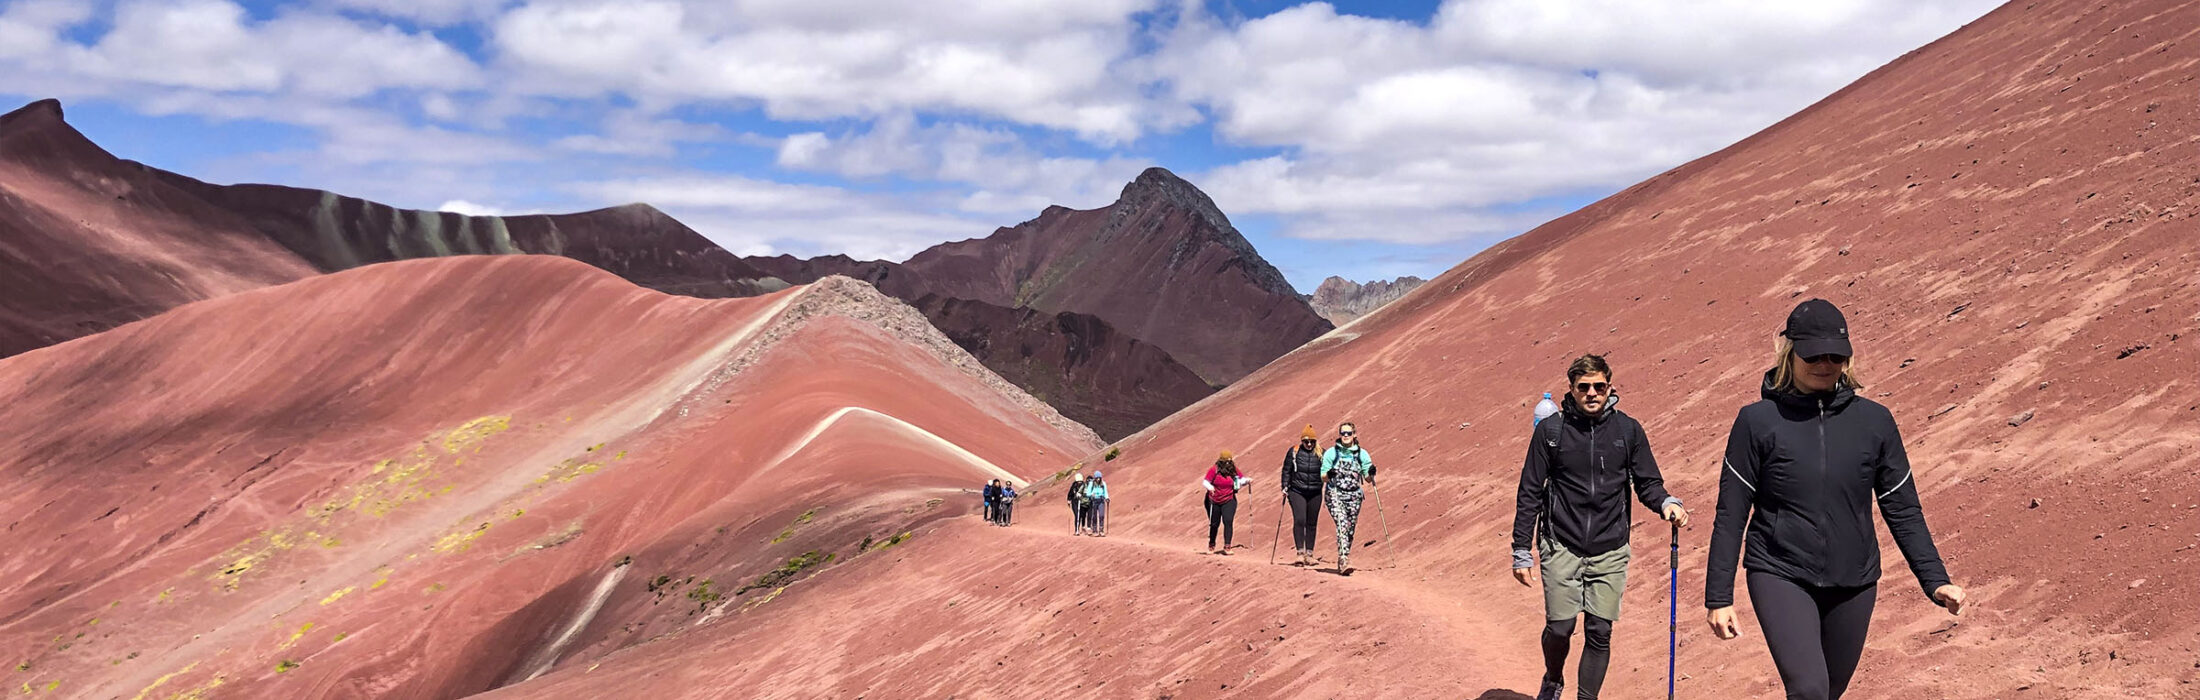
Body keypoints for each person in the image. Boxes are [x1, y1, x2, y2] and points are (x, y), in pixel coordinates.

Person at [1705, 299, 1967, 700]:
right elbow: (1732, 511)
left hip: (1855, 579)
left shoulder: (1875, 421)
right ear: (1789, 352)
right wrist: (1719, 597)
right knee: (1809, 690)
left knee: (1828, 692)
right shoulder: (1757, 421)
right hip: (1780, 571)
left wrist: (1935, 580)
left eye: (1836, 355)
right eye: (1814, 355)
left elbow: (1902, 507)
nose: (1825, 364)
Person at [1509, 354, 1688, 700]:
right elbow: (1530, 489)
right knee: (1561, 628)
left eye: (1599, 386)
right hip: (1561, 541)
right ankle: (1553, 676)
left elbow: (1648, 482)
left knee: (1599, 630)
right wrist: (1521, 550)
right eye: (1584, 387)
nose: (1592, 393)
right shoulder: (1552, 432)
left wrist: (1667, 503)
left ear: (1610, 386)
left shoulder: (1627, 430)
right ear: (1572, 389)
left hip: (1610, 544)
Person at [1320, 422, 1374, 574]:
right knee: (1342, 524)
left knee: (1350, 528)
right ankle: (1343, 559)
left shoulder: (1362, 454)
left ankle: (1345, 555)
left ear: (1354, 435)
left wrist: (1371, 472)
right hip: (1335, 494)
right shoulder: (1331, 453)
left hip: (1354, 496)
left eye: (1348, 433)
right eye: (1342, 433)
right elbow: (1323, 476)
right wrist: (1328, 475)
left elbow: (1367, 478)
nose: (1345, 436)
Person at [1280, 424, 1326, 566]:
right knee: (1300, 519)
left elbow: (1327, 470)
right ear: (1302, 441)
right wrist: (1285, 486)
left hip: (1315, 492)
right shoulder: (1293, 452)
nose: (1309, 444)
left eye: (1312, 441)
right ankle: (1300, 553)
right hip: (1297, 491)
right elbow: (1286, 470)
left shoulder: (1321, 453)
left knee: (1312, 523)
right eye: (1306, 441)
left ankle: (1310, 554)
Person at [1202, 451, 1249, 554]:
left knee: (1228, 521)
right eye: (1226, 462)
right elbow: (1205, 481)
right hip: (1214, 500)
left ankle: (1227, 546)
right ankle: (1212, 544)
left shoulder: (1233, 470)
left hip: (1229, 499)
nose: (1228, 464)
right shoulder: (1214, 470)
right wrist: (1210, 488)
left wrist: (1246, 481)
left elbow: (1241, 479)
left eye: (1229, 462)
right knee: (1214, 523)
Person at [1084, 471, 1111, 536]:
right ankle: (1095, 530)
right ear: (1095, 478)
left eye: (1099, 478)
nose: (1098, 479)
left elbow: (1105, 492)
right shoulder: (1091, 483)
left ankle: (1101, 530)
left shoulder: (1103, 484)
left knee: (1101, 515)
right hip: (1094, 501)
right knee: (1094, 516)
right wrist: (1091, 494)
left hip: (1101, 500)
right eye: (1097, 478)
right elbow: (1087, 493)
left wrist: (1107, 498)